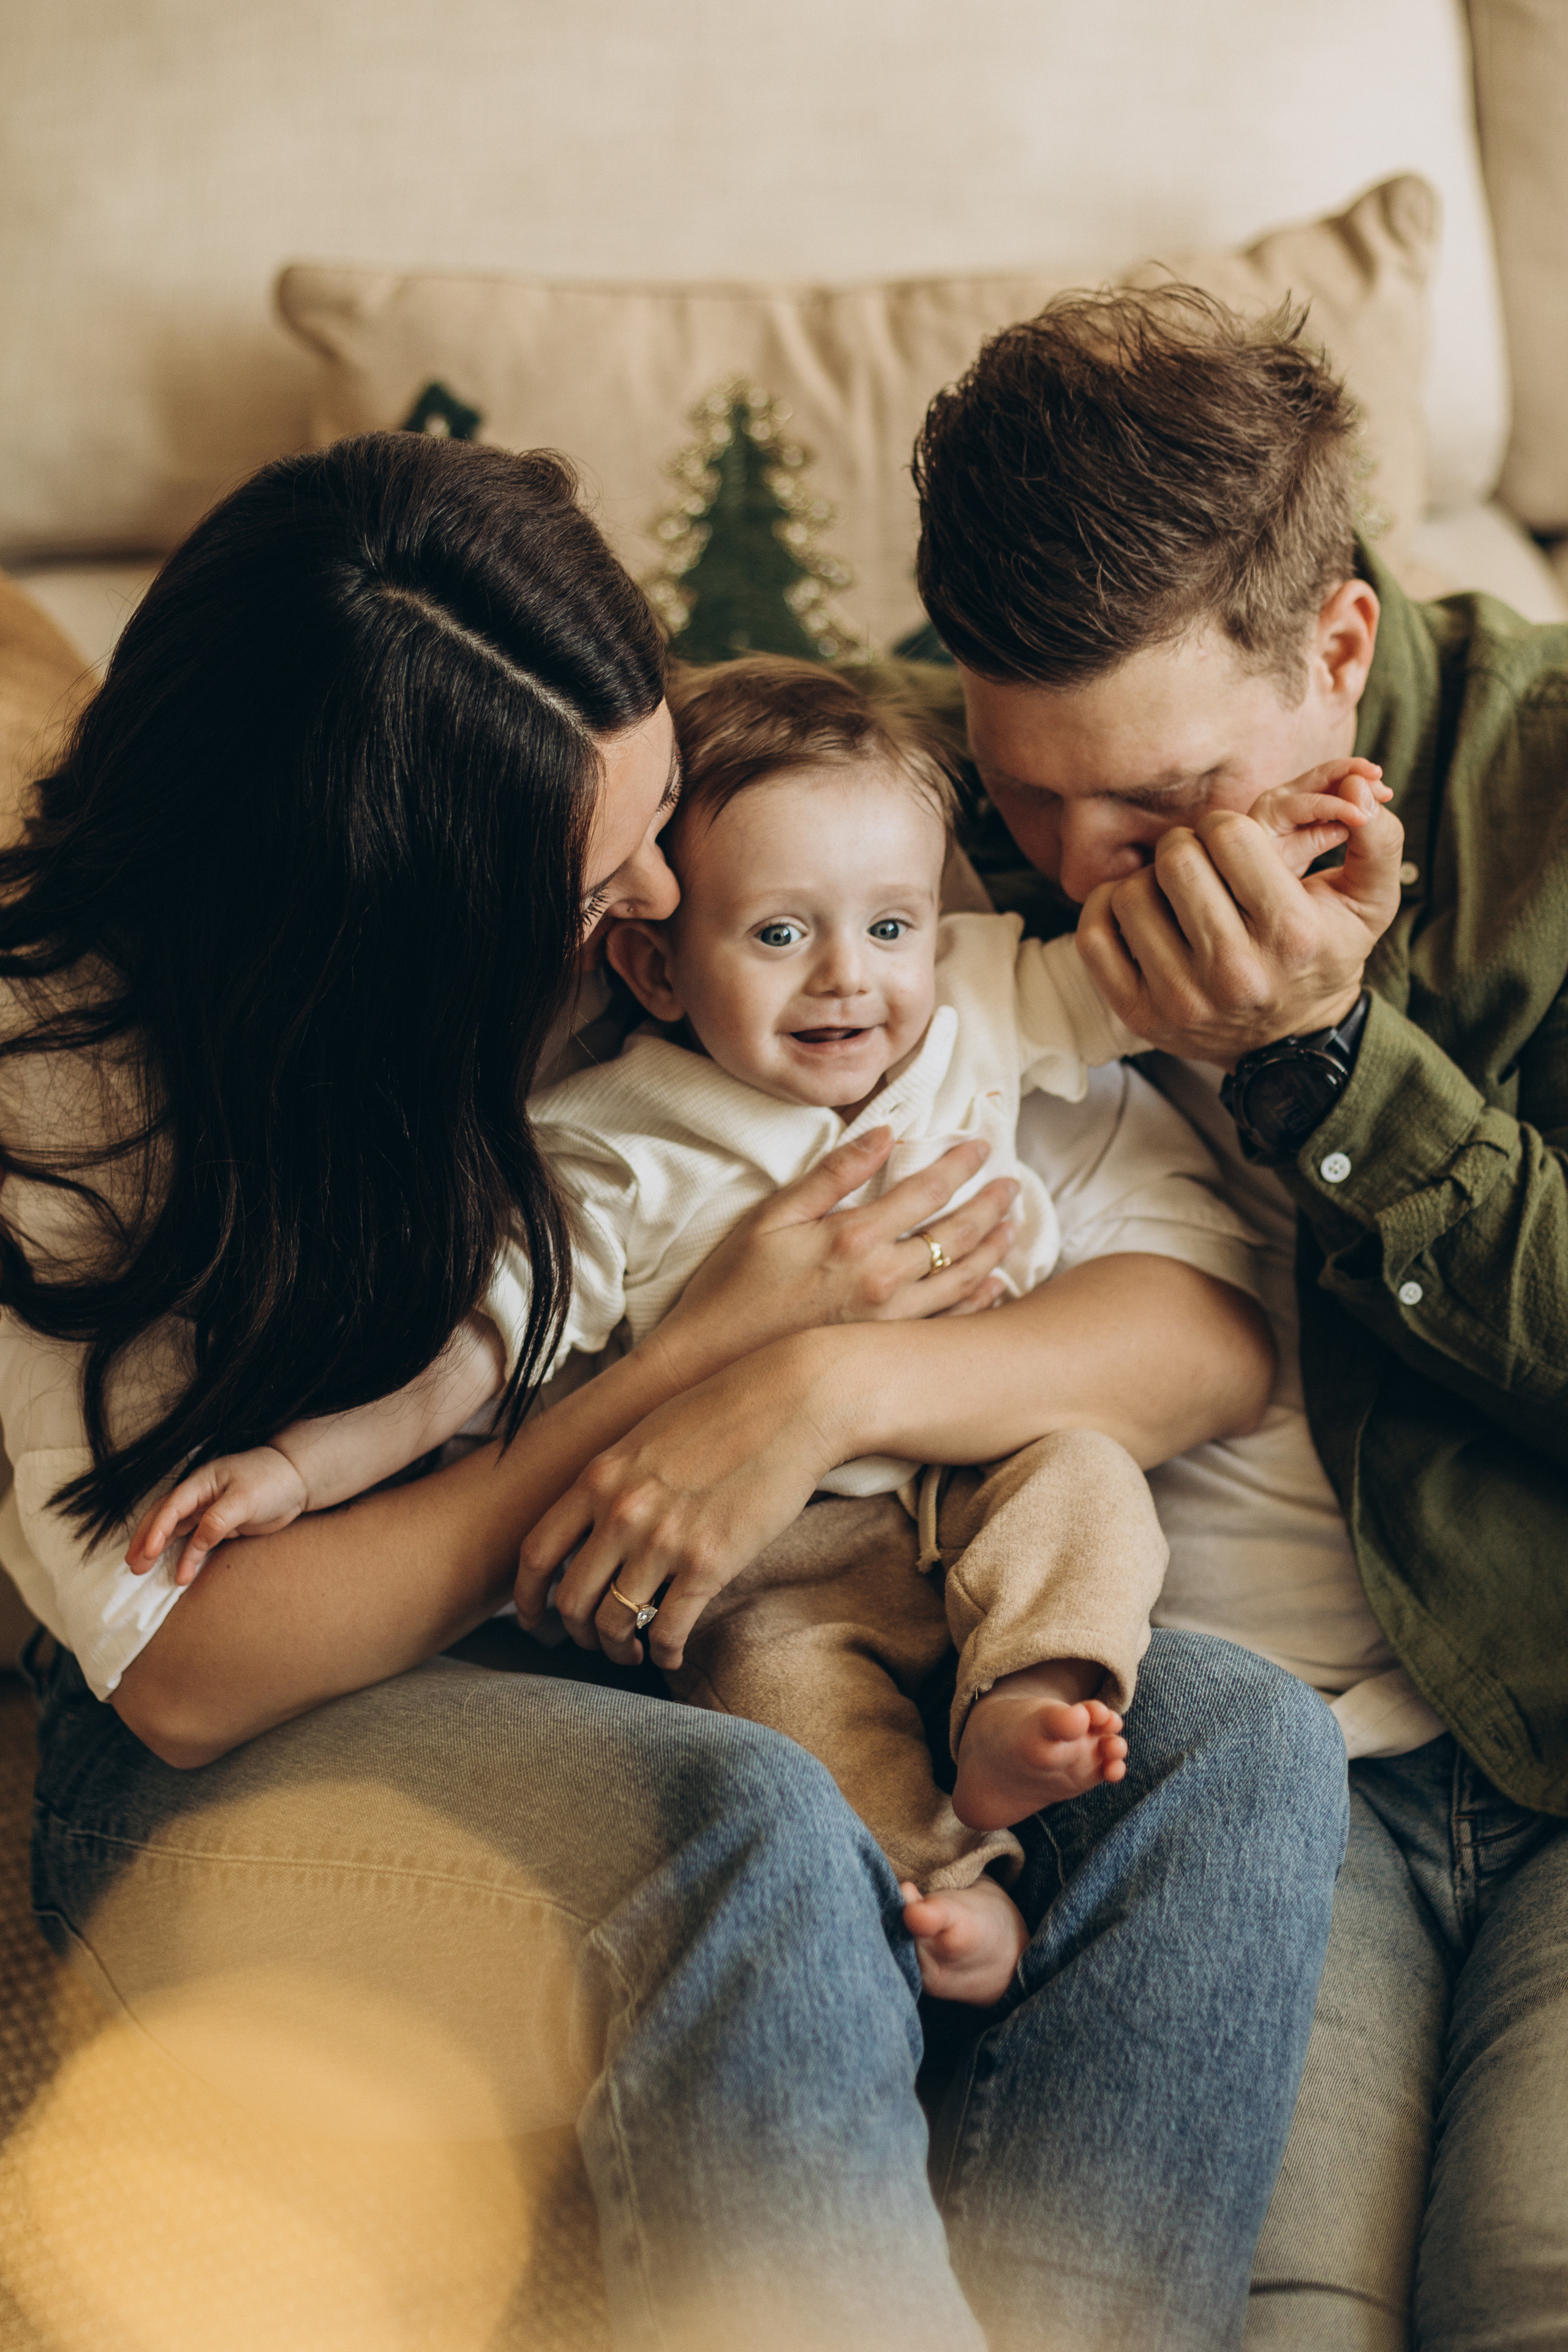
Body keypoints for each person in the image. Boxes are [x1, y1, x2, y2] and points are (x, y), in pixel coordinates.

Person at [1, 431, 1348, 2351]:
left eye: (656, 809)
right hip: (267, 1730)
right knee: (744, 1826)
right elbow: (192, 1675)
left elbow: (1207, 1329)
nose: (658, 886)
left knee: (1237, 1741)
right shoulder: (60, 1079)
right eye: (606, 871)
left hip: (664, 1614)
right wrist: (696, 1371)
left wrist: (815, 1387)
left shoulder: (734, 902)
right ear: (403, 912)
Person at [127, 653, 1392, 2009]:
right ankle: (943, 1886)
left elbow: (1137, 964)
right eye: (781, 935)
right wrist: (296, 1471)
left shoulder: (971, 1005)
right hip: (768, 1553)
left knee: (1086, 1491)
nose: (850, 980)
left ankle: (1025, 1704)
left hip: (972, 1465)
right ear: (654, 966)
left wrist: (1275, 844)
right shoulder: (615, 1146)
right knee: (775, 1696)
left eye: (888, 927)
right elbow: (470, 1355)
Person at [908, 281, 1568, 2344]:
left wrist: (1334, 1061)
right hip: (1242, 1755)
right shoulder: (899, 801)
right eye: (1041, 796)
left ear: (1341, 646)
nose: (1094, 869)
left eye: (1167, 795)